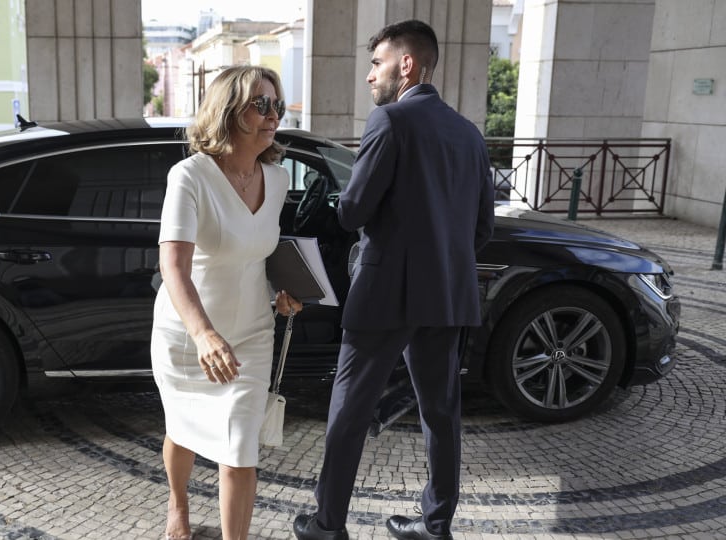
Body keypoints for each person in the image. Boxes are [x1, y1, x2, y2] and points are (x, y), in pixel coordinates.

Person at [292, 20, 494, 540]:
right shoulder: (470, 134)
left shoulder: (390, 121)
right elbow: (483, 229)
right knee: (441, 414)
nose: (369, 77)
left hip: (385, 295)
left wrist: (344, 201)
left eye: (376, 63)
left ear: (407, 65)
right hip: (448, 295)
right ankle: (435, 525)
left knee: (350, 410)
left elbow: (354, 211)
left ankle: (327, 524)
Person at [151, 65, 304, 540]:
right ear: (228, 110)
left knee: (240, 448)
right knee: (182, 430)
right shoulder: (190, 177)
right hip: (188, 334)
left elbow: (258, 252)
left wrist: (286, 290)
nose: (272, 114)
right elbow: (173, 267)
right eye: (261, 104)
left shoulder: (277, 180)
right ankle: (178, 505)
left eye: (277, 105)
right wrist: (204, 334)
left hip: (254, 332)